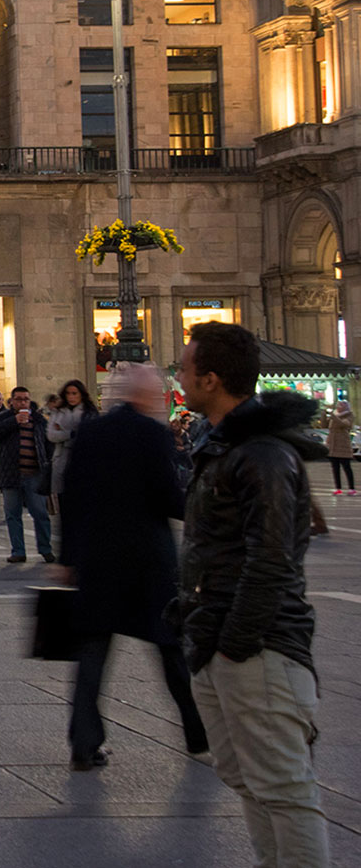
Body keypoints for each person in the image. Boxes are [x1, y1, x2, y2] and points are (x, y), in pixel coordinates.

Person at [177, 322, 329, 867]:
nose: (179, 374)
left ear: (211, 380)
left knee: (285, 789)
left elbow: (271, 561)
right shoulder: (225, 445)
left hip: (258, 646)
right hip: (219, 636)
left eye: (185, 366)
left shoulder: (261, 454)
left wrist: (234, 642)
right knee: (245, 777)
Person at [57, 361, 208, 770]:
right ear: (144, 396)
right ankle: (198, 737)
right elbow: (166, 496)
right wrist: (197, 508)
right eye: (158, 395)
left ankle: (84, 745)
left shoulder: (90, 431)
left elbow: (71, 496)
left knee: (92, 657)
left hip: (97, 561)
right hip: (147, 562)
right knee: (171, 652)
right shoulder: (153, 434)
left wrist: (67, 558)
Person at [0, 386, 54, 564]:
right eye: (19, 399)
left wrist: (47, 466)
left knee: (40, 512)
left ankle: (45, 548)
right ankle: (18, 551)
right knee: (12, 514)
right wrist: (14, 421)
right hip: (11, 474)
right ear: (12, 401)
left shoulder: (38, 420)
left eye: (26, 399)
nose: (23, 402)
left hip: (34, 474)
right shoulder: (6, 418)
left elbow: (48, 443)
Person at [47, 379, 93, 503]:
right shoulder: (58, 412)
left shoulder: (89, 413)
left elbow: (90, 435)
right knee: (61, 498)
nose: (71, 397)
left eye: (74, 393)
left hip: (82, 458)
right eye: (68, 393)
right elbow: (51, 435)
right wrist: (70, 433)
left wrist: (62, 431)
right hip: (61, 457)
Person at [326, 400, 354, 494]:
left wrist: (333, 417)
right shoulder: (334, 415)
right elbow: (327, 427)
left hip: (343, 445)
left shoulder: (349, 415)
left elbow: (344, 424)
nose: (339, 407)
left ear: (346, 407)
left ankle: (351, 488)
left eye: (341, 405)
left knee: (347, 467)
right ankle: (338, 488)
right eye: (338, 405)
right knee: (335, 468)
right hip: (333, 445)